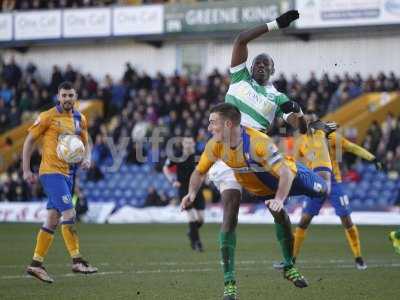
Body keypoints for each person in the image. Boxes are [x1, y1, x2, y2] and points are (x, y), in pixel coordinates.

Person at [203, 10, 303, 300]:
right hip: (227, 151)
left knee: (279, 209)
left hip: (257, 156)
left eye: (266, 64)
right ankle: (230, 282)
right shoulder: (239, 77)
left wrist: (299, 114)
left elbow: (297, 124)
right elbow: (241, 38)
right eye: (257, 61)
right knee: (230, 211)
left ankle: (289, 264)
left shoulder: (277, 97)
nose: (260, 65)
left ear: (272, 70)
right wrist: (276, 25)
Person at [182, 103, 330, 297]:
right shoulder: (215, 145)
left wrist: (279, 198)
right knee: (237, 220)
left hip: (290, 178)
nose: (209, 128)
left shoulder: (257, 142)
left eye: (213, 123)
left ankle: (319, 135)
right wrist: (192, 193)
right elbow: (199, 172)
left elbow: (285, 174)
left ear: (227, 124)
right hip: (261, 188)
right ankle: (230, 282)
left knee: (323, 189)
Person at [22, 81, 98, 283]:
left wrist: (88, 157)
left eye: (70, 95)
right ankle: (77, 260)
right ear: (58, 96)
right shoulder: (47, 116)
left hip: (68, 174)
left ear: (76, 96)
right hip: (51, 172)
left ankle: (36, 264)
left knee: (52, 219)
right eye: (63, 95)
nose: (67, 99)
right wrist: (26, 169)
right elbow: (29, 141)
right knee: (69, 213)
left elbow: (86, 140)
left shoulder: (79, 118)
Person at [287, 120, 381, 270]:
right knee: (304, 221)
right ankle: (292, 259)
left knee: (346, 220)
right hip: (315, 182)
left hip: (334, 181)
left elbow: (352, 148)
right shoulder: (301, 141)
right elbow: (296, 163)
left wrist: (372, 158)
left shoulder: (332, 138)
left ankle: (358, 257)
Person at [163, 137, 205, 252]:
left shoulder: (198, 156)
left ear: (194, 143)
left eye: (190, 142)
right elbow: (165, 168)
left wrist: (206, 178)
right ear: (182, 144)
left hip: (197, 189)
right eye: (186, 142)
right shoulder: (177, 155)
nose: (188, 144)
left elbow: (205, 169)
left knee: (201, 219)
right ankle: (197, 243)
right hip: (184, 190)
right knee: (192, 216)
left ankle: (191, 232)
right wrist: (172, 181)